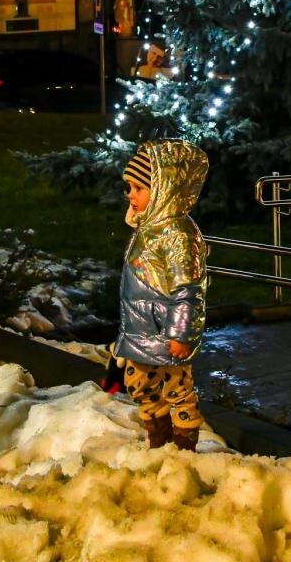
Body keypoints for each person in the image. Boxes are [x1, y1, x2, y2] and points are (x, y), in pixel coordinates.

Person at [101, 138, 209, 451]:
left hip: (166, 335)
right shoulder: (147, 229)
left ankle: (183, 445)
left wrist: (181, 333)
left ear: (162, 189)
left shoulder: (177, 234)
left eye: (139, 188)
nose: (130, 196)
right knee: (139, 385)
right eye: (129, 188)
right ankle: (158, 440)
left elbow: (187, 290)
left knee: (177, 388)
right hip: (141, 330)